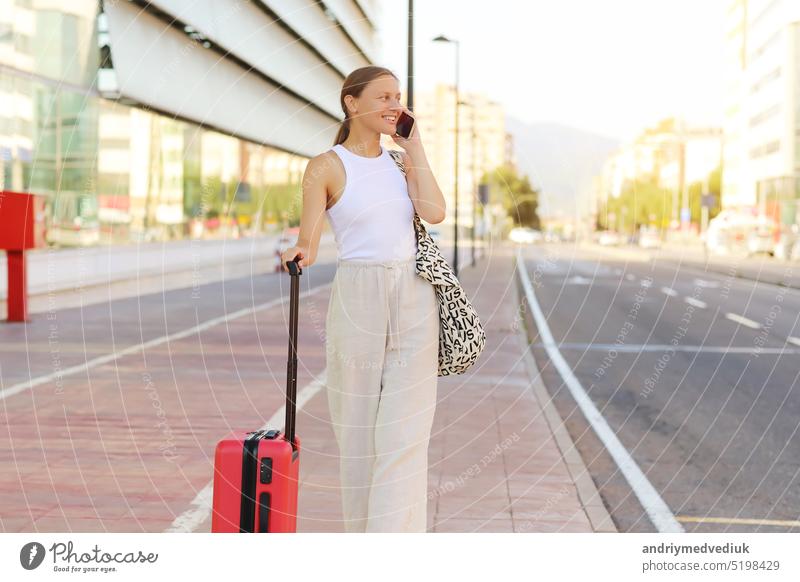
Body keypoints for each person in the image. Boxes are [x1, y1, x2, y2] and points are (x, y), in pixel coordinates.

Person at [281, 65, 446, 532]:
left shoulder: (400, 162)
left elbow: (434, 212)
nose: (395, 104)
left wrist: (414, 147)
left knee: (406, 431)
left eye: (398, 96)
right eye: (383, 96)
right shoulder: (326, 166)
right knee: (356, 431)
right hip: (358, 296)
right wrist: (299, 252)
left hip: (413, 294)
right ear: (352, 103)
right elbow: (309, 239)